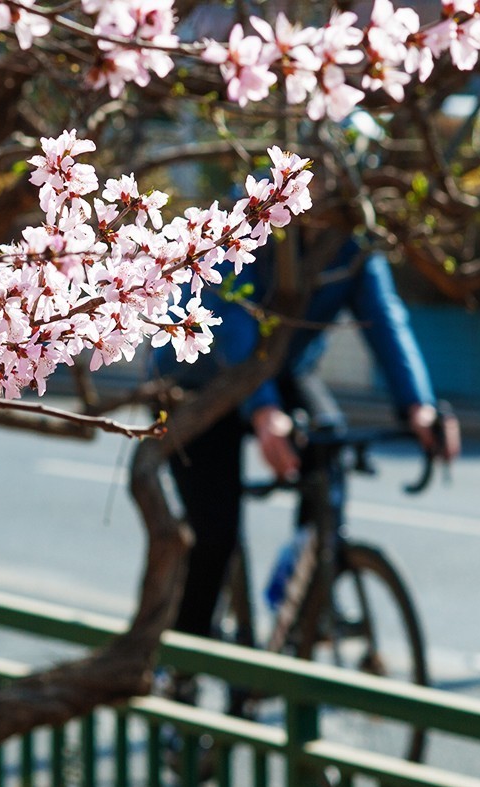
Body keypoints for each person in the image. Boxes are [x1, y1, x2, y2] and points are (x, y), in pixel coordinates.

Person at [154, 234, 461, 641]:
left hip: (282, 371)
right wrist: (263, 410)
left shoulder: (351, 234)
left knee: (327, 439)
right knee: (214, 532)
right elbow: (229, 315)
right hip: (197, 379)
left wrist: (417, 404)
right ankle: (185, 659)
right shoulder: (256, 211)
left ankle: (307, 593)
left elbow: (384, 316)